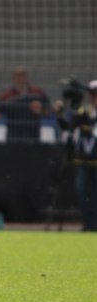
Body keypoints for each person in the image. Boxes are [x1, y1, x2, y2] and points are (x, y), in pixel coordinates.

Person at [53, 80, 97, 232]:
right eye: (93, 95)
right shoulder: (83, 112)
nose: (95, 99)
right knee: (83, 194)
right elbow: (68, 128)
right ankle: (89, 225)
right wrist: (59, 114)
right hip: (83, 161)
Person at [0, 67, 50, 143]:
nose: (20, 79)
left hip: (33, 138)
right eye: (17, 76)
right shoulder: (7, 95)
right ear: (13, 79)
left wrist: (40, 111)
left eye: (22, 75)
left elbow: (48, 112)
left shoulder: (38, 92)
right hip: (13, 139)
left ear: (27, 77)